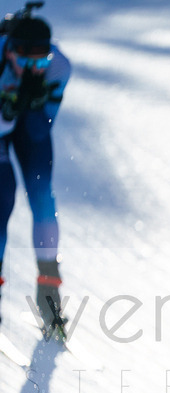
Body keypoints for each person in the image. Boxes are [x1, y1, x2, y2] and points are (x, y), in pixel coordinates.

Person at [0, 7, 70, 336]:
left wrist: (32, 103)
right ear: (9, 50)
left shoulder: (58, 66)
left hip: (29, 126)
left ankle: (49, 290)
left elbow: (41, 131)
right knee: (2, 199)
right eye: (27, 61)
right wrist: (8, 110)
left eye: (41, 61)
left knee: (43, 197)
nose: (35, 69)